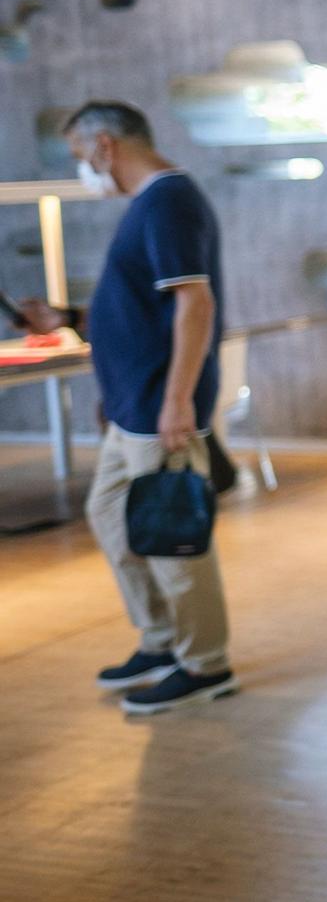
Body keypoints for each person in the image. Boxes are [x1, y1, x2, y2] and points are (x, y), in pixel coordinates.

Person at [20, 100, 235, 715]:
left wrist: (176, 403)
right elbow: (142, 310)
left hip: (156, 409)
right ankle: (163, 640)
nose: (84, 168)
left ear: (106, 144)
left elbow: (195, 305)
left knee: (171, 537)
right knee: (112, 515)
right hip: (130, 407)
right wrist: (67, 320)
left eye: (81, 155)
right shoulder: (149, 206)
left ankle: (205, 663)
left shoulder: (168, 200)